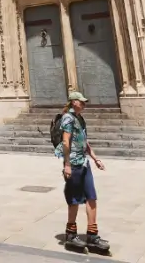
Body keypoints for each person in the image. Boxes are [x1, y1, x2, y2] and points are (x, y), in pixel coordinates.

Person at [56, 91, 109, 254]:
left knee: (91, 197)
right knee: (74, 198)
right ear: (73, 102)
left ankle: (92, 235)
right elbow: (66, 141)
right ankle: (71, 233)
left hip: (84, 163)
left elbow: (84, 140)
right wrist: (67, 164)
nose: (84, 104)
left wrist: (95, 158)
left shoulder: (80, 118)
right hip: (73, 163)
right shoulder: (68, 118)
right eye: (81, 101)